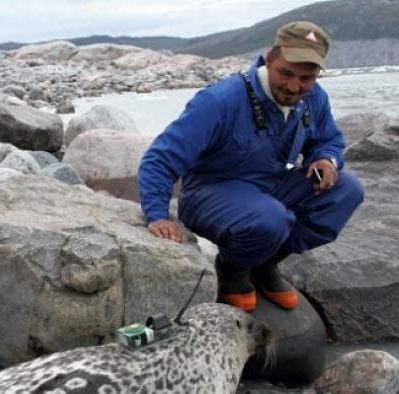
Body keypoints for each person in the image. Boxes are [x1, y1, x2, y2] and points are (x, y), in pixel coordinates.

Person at [137, 21, 364, 311]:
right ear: (269, 59)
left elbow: (328, 139)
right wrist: (157, 215)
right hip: (210, 194)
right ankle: (233, 269)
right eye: (286, 73)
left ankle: (265, 263)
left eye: (306, 78)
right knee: (270, 219)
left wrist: (326, 159)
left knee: (347, 189)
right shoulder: (220, 100)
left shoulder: (314, 97)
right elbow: (160, 159)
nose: (294, 86)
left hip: (269, 189)